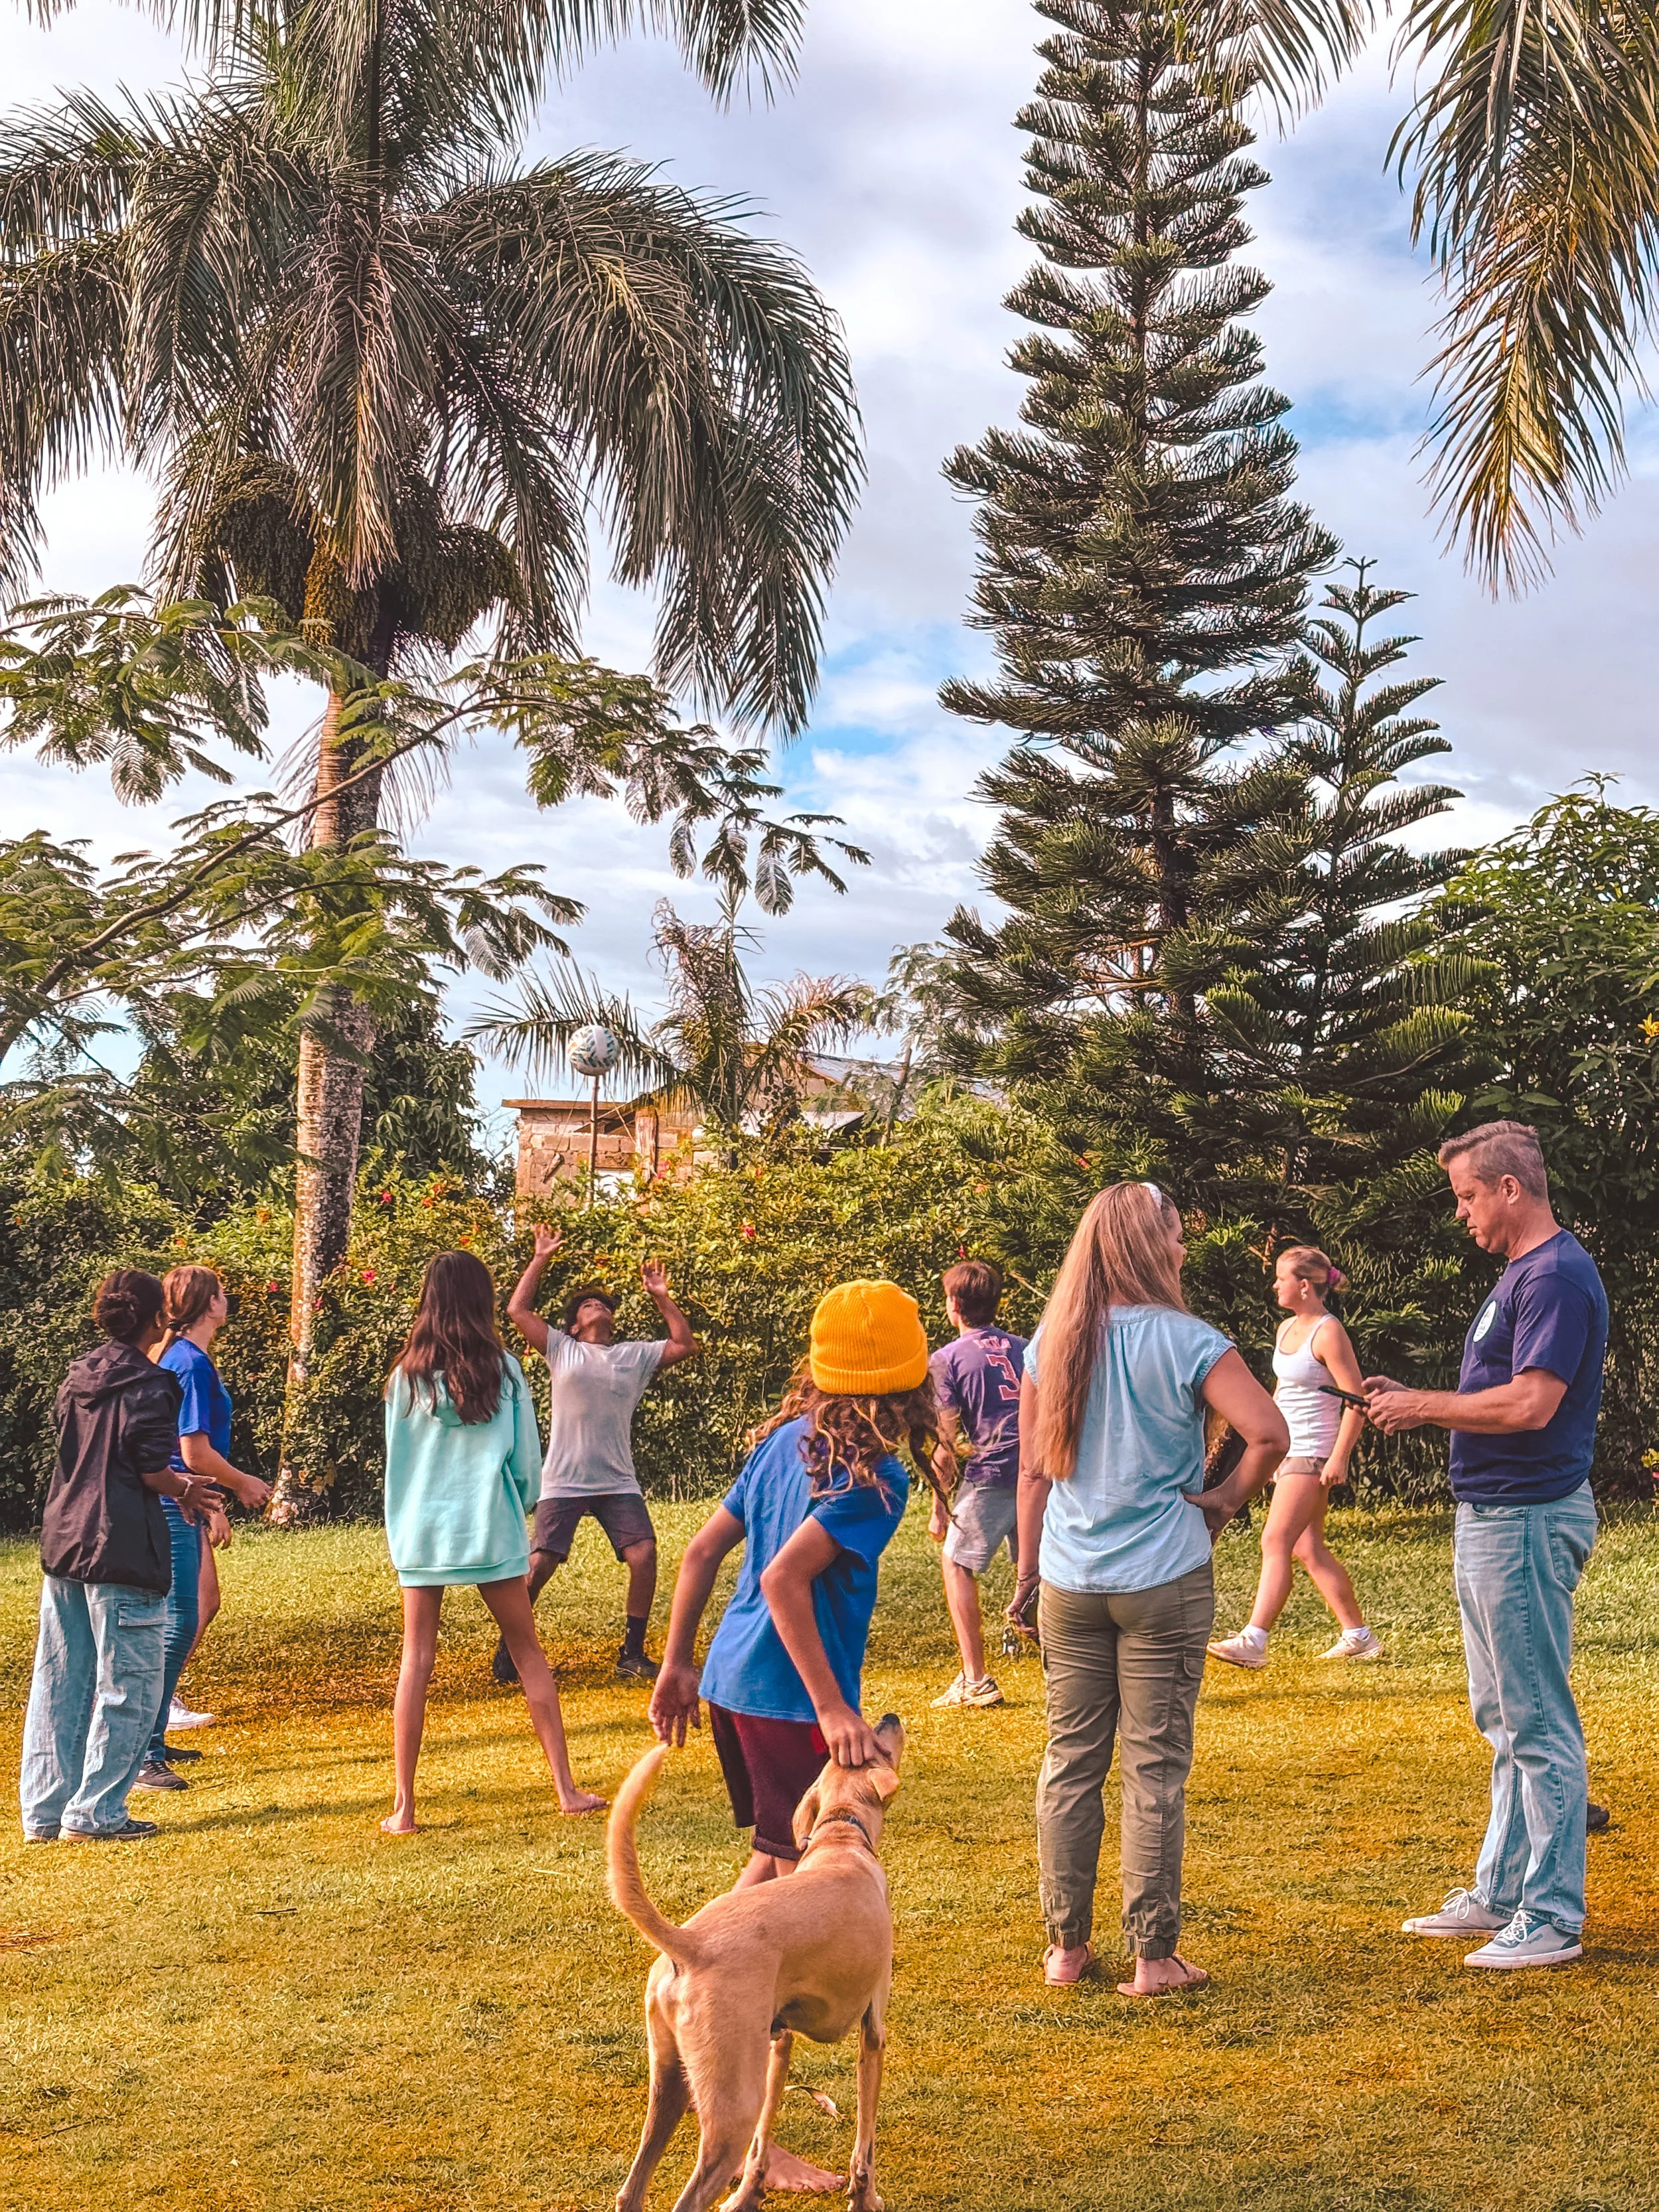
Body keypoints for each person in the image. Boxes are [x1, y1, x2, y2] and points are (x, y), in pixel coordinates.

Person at [648, 1277, 928, 2196]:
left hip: (732, 1685)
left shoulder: (782, 1444)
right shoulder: (875, 1482)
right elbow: (781, 1580)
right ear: (909, 1385)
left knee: (776, 1872)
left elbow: (701, 1553)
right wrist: (834, 1709)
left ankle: (695, 1994)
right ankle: (703, 2031)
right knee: (780, 1883)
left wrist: (678, 1662)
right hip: (786, 1700)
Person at [1007, 1183, 1288, 1994]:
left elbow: (1033, 1471)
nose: (1182, 1248)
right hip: (1163, 1575)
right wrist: (1224, 1501)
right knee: (1153, 1767)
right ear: (1147, 1245)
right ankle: (1152, 1955)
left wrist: (1027, 1575)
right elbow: (1269, 1433)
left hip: (1070, 1577)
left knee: (1070, 1762)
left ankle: (1065, 1949)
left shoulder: (1051, 1341)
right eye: (1174, 1235)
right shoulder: (1190, 1341)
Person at [1368, 1121, 1608, 1971]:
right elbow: (1499, 1393)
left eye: (1468, 1195)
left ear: (1511, 1188)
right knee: (1503, 1719)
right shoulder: (1521, 1276)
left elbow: (1531, 1405)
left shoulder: (1554, 1278)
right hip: (1495, 1518)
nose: (1461, 1212)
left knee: (1535, 1720)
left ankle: (1551, 1916)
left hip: (1526, 1521)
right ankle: (1502, 1893)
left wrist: (1422, 1407)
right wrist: (1416, 1397)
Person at [382, 1249, 605, 1832]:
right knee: (527, 1651)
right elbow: (527, 1463)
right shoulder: (505, 1371)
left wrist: (403, 1530)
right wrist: (518, 1502)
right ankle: (566, 1788)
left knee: (416, 1660)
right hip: (490, 1525)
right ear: (482, 1300)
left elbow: (396, 1466)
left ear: (429, 1300)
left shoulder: (405, 1377)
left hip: (423, 1533)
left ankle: (404, 1807)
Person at [19, 1271, 222, 1842]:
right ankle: (97, 1812)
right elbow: (150, 1466)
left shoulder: (78, 1375)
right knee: (129, 1682)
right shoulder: (153, 1384)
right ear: (157, 1317)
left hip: (66, 1538)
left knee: (60, 1679)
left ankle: (45, 1811)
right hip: (122, 1544)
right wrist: (187, 1490)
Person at [500, 1226, 699, 1685]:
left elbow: (684, 1344)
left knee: (644, 1555)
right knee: (540, 1564)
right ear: (574, 1325)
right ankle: (511, 1649)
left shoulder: (634, 1356)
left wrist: (662, 1297)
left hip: (617, 1480)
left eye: (604, 1304)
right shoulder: (562, 1349)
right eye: (589, 1305)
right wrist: (540, 1257)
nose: (599, 1307)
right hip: (564, 1479)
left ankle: (632, 1653)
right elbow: (517, 1310)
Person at [131, 1265, 272, 1795]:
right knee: (178, 1623)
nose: (226, 1298)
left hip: (181, 1500)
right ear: (208, 1304)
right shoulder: (188, 1361)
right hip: (173, 1503)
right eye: (221, 1292)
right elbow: (193, 1452)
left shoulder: (182, 1356)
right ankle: (143, 1752)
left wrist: (213, 1504)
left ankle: (152, 1739)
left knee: (184, 1616)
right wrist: (241, 1483)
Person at [1206, 1246, 1381, 1669]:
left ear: (1304, 1286)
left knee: (1275, 1540)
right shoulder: (1286, 1328)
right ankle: (1358, 1636)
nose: (1274, 1285)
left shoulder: (1328, 1332)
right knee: (1308, 1547)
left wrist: (1339, 1458)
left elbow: (1356, 1400)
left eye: (1281, 1278)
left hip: (1314, 1451)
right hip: (1290, 1451)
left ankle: (1254, 1640)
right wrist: (1269, 1450)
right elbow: (1284, 1393)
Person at [926, 1259, 1026, 1708]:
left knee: (955, 1562)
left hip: (993, 1473)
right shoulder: (1025, 1347)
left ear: (954, 1304)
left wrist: (939, 1507)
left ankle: (976, 1679)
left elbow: (945, 1442)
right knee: (1039, 1571)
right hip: (1041, 1472)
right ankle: (1069, 1671)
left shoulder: (947, 1359)